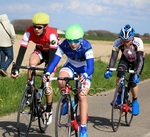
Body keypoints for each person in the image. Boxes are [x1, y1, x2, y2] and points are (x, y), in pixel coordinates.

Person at [43, 24, 94, 137]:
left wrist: (85, 75)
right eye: (70, 41)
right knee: (61, 79)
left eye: (75, 41)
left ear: (81, 39)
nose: (72, 44)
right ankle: (66, 100)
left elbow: (91, 68)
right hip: (70, 65)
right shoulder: (64, 45)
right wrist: (47, 72)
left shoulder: (86, 46)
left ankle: (84, 128)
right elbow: (54, 62)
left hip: (84, 69)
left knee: (82, 95)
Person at [11, 12, 59, 125]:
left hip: (53, 54)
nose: (36, 29)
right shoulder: (29, 32)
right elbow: (22, 50)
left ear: (45, 27)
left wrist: (48, 72)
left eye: (39, 27)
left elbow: (52, 55)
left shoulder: (52, 35)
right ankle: (30, 89)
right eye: (34, 26)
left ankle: (48, 109)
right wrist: (16, 68)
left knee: (48, 82)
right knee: (31, 62)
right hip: (41, 51)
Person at [104, 24, 145, 116]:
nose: (125, 43)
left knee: (132, 82)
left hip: (136, 61)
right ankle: (119, 95)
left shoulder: (138, 42)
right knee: (119, 73)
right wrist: (109, 69)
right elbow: (113, 58)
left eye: (128, 41)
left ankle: (135, 101)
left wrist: (137, 74)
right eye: (123, 40)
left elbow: (140, 60)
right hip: (125, 59)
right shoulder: (117, 42)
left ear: (132, 38)